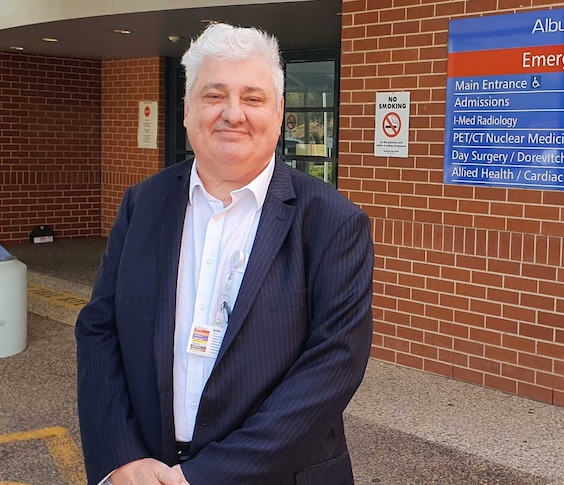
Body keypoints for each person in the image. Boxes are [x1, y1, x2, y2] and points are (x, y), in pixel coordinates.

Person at [75, 22, 373, 485]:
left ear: (278, 114)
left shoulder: (333, 222)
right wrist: (120, 458)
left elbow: (333, 365)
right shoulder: (142, 204)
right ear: (188, 109)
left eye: (252, 98)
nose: (233, 114)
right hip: (148, 471)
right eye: (215, 95)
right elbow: (100, 330)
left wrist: (206, 476)